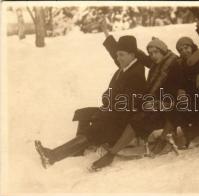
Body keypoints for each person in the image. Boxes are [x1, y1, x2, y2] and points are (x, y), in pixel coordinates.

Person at [34, 35, 147, 170]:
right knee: (84, 113)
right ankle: (77, 150)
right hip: (113, 111)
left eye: (121, 55)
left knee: (95, 129)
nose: (118, 58)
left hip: (121, 120)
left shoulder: (136, 74)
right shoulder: (126, 67)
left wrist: (106, 107)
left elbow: (127, 103)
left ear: (132, 54)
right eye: (117, 55)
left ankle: (52, 156)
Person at [93, 36, 185, 168]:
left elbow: (176, 94)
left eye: (156, 52)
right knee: (132, 111)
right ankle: (119, 141)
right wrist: (110, 40)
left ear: (163, 52)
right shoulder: (156, 65)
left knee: (137, 119)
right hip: (153, 103)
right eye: (151, 53)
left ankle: (112, 154)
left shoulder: (174, 66)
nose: (153, 56)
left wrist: (157, 103)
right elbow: (131, 53)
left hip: (169, 108)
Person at [174, 36, 199, 147]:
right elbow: (182, 80)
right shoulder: (182, 64)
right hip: (191, 96)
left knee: (184, 107)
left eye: (186, 47)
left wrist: (186, 92)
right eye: (181, 50)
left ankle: (192, 133)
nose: (184, 51)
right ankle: (188, 132)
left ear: (192, 47)